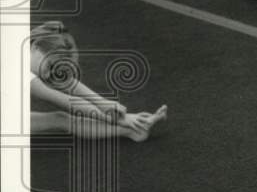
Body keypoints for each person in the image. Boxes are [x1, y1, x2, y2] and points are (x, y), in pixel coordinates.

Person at [29, 22, 167, 141]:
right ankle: (131, 128)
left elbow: (69, 84)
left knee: (60, 118)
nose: (49, 74)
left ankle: (134, 130)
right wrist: (120, 119)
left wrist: (104, 103)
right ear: (36, 48)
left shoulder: (34, 53)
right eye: (49, 66)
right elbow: (68, 101)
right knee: (59, 118)